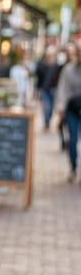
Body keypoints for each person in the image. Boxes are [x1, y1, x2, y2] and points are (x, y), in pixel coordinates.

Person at [53, 41, 81, 182]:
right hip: (72, 110)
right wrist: (61, 107)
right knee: (73, 140)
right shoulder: (69, 69)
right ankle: (73, 168)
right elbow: (63, 89)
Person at [34, 44, 63, 132]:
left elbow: (60, 78)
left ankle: (48, 121)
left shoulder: (57, 65)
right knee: (46, 107)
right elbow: (38, 78)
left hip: (54, 89)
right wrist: (37, 89)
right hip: (44, 89)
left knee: (51, 108)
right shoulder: (41, 64)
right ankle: (46, 123)